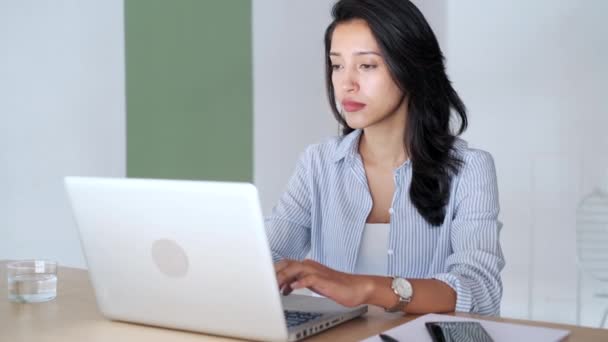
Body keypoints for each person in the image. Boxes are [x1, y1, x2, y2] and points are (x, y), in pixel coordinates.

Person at [266, 0, 504, 316]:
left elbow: (480, 290)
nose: (346, 84)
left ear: (410, 68)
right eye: (337, 65)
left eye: (367, 65)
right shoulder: (318, 163)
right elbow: (271, 254)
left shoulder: (469, 169)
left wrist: (366, 287)